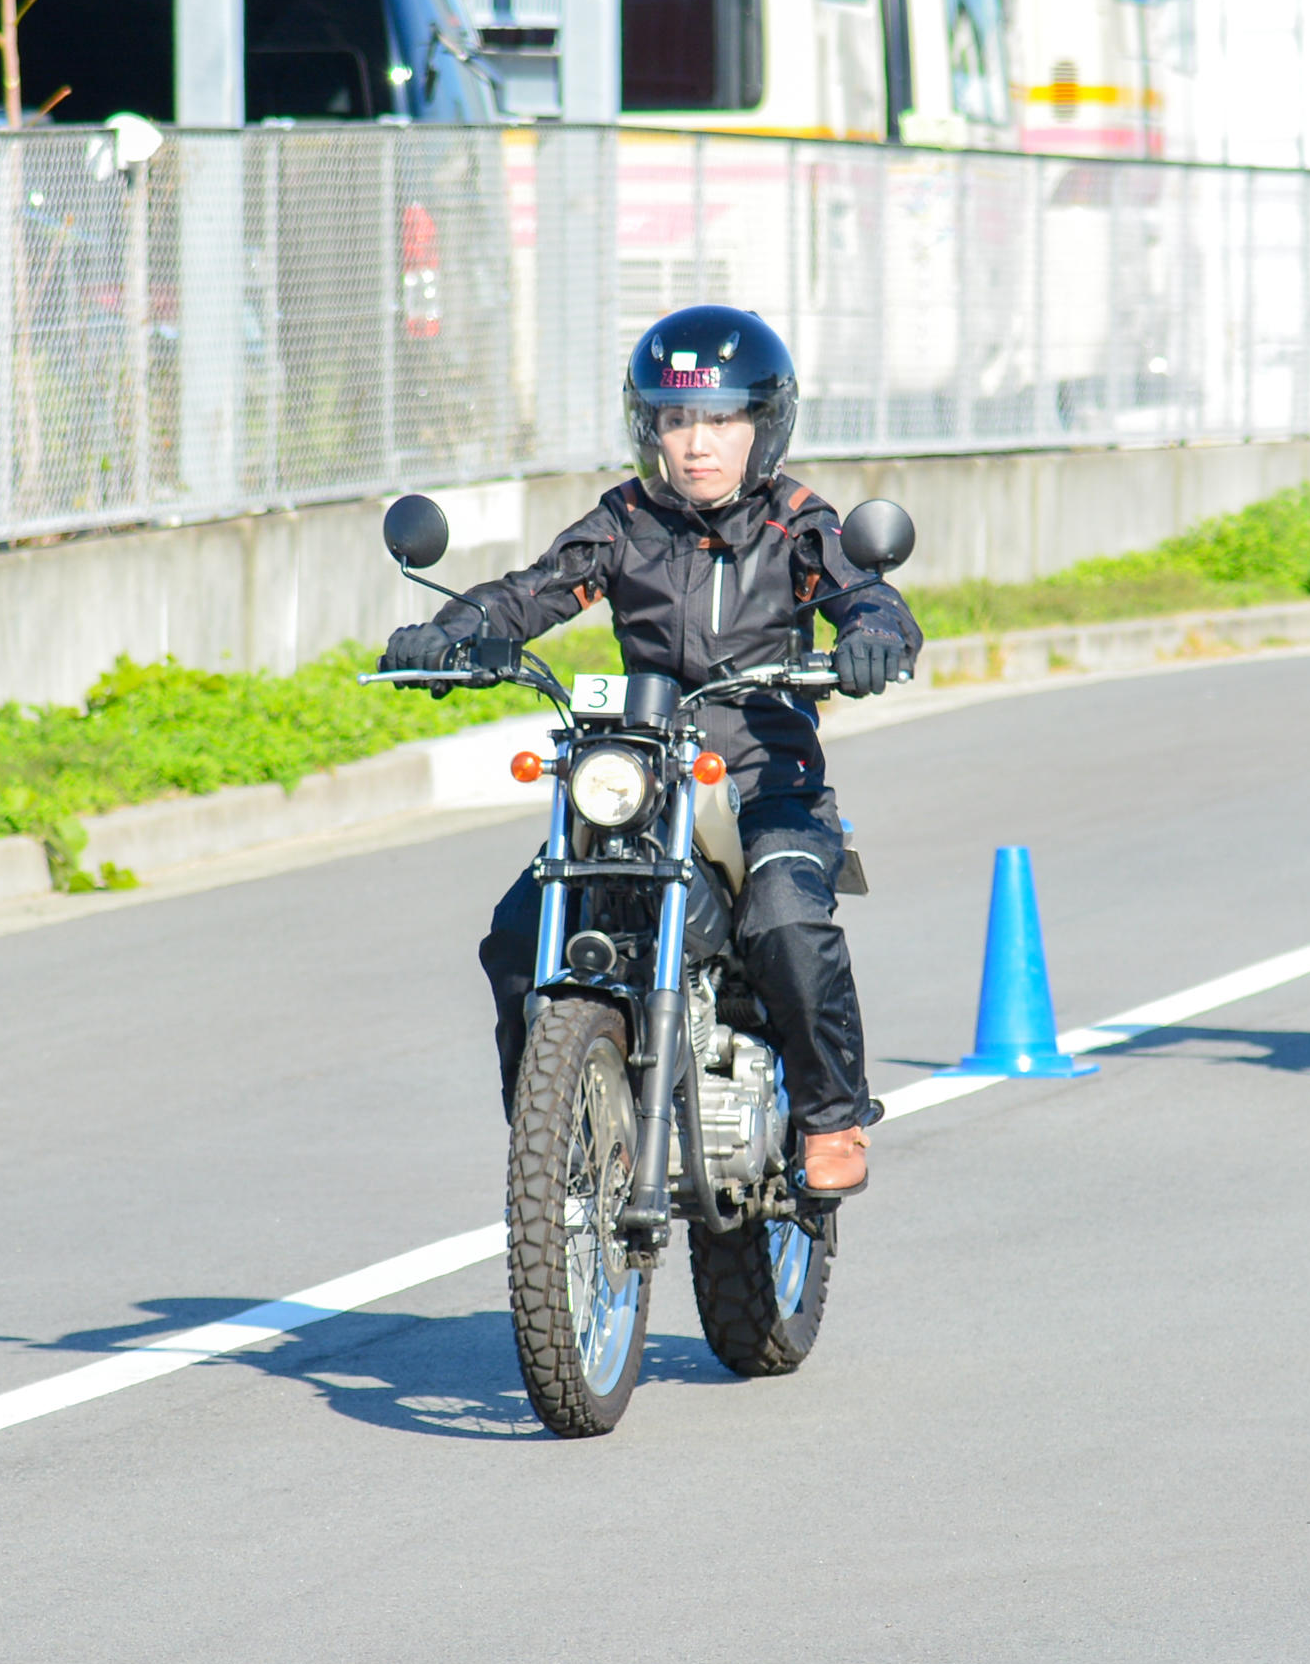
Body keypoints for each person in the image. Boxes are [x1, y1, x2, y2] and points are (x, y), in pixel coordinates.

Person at [385, 304, 920, 1197]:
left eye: (720, 418)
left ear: (764, 424)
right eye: (676, 420)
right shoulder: (625, 521)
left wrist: (873, 635)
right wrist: (459, 628)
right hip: (645, 772)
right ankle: (553, 1129)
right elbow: (535, 590)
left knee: (788, 918)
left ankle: (833, 1112)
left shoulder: (797, 524)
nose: (697, 442)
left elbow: (865, 596)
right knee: (519, 935)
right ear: (650, 429)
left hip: (763, 783)